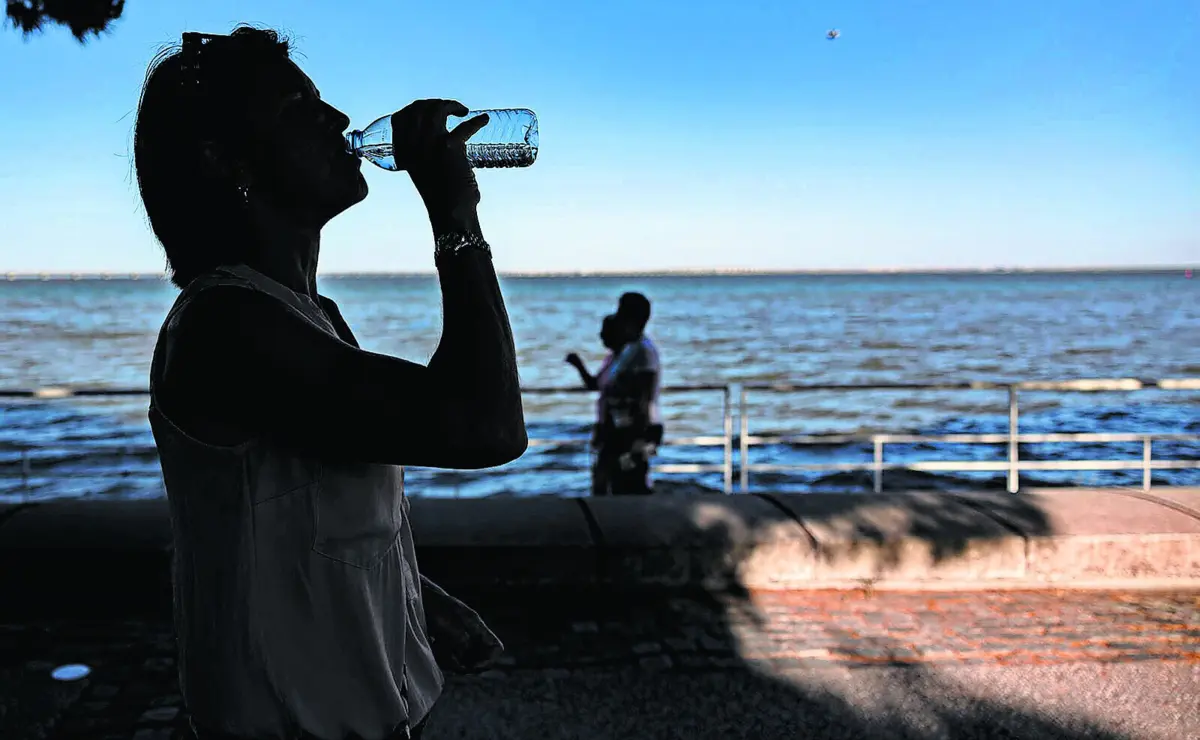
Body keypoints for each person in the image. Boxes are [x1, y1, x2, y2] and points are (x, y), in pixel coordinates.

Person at [135, 28, 526, 740]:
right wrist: (454, 214)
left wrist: (416, 596)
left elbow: (284, 516)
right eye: (299, 110)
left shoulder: (303, 318)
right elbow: (486, 424)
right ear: (229, 163)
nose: (340, 121)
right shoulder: (230, 327)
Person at [603, 292, 663, 494]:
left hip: (637, 429)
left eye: (621, 313)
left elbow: (643, 397)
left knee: (632, 482)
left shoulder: (643, 352)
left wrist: (638, 438)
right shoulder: (630, 349)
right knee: (620, 481)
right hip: (624, 427)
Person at [565, 314, 627, 495]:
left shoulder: (626, 360)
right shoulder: (611, 359)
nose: (601, 336)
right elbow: (596, 384)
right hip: (606, 426)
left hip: (614, 429)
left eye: (606, 332)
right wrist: (579, 366)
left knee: (608, 474)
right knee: (601, 474)